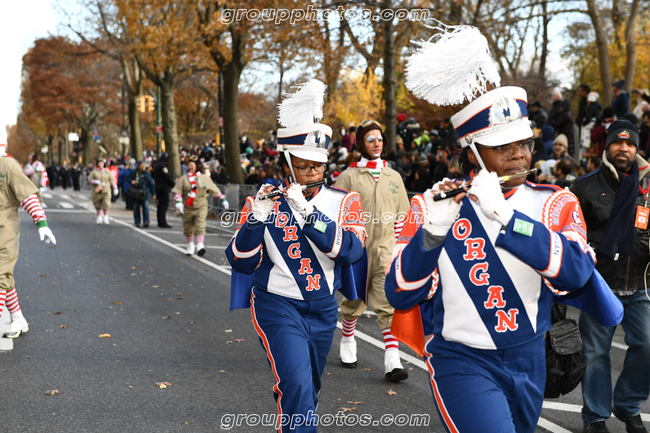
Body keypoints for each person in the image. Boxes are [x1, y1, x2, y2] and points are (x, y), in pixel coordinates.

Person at [387, 83, 621, 432]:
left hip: (531, 357)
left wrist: (511, 220)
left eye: (524, 143)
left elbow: (576, 272)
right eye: (502, 147)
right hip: (461, 359)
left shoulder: (555, 202)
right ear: (472, 154)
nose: (518, 155)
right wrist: (432, 235)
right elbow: (399, 293)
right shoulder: (432, 205)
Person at [226, 79, 365, 432]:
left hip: (323, 308)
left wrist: (310, 217)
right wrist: (256, 220)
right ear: (287, 164)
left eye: (318, 166)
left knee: (308, 389)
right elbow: (240, 261)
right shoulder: (263, 202)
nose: (313, 174)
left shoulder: (344, 202)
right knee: (298, 386)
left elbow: (351, 252)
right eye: (304, 167)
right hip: (277, 305)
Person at [571, 119, 650, 433]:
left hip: (640, 283)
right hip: (599, 284)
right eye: (618, 142)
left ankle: (628, 406)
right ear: (607, 146)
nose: (625, 148)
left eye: (630, 143)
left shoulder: (647, 187)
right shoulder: (585, 186)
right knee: (596, 353)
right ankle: (595, 418)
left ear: (636, 148)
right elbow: (571, 234)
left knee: (647, 345)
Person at [334, 119, 410, 382]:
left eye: (379, 138)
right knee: (353, 300)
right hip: (356, 251)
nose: (376, 143)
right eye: (370, 139)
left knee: (386, 303)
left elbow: (403, 214)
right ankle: (347, 339)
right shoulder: (349, 176)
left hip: (386, 251)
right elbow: (338, 212)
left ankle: (392, 359)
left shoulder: (394, 176)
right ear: (361, 145)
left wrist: (398, 246)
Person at [0, 141, 56, 338]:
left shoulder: (7, 165)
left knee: (0, 276)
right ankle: (17, 317)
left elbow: (27, 196)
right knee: (4, 277)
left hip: (4, 230)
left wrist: (41, 223)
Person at [172, 158, 227, 256]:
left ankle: (200, 245)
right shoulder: (184, 179)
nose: (190, 167)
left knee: (200, 224)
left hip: (201, 205)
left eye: (192, 165)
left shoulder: (204, 178)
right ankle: (190, 245)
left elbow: (213, 189)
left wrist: (223, 199)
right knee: (188, 226)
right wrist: (178, 203)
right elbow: (178, 191)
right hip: (188, 206)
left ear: (197, 166)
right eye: (189, 165)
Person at [126, 160, 155, 228]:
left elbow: (151, 184)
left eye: (144, 165)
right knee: (136, 208)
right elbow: (127, 178)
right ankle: (137, 222)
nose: (143, 166)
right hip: (136, 193)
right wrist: (131, 181)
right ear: (138, 166)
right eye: (142, 165)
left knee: (146, 207)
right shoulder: (134, 172)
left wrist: (153, 193)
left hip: (144, 193)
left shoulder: (147, 173)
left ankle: (146, 221)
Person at [87, 159, 117, 225]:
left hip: (106, 190)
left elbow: (112, 180)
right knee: (97, 203)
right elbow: (89, 180)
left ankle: (106, 216)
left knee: (106, 203)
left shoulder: (107, 171)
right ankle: (99, 217)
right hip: (97, 190)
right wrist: (95, 181)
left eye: (102, 163)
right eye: (99, 163)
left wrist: (115, 188)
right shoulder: (94, 172)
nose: (100, 164)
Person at [153, 152, 175, 229]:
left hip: (159, 188)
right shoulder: (163, 167)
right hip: (163, 188)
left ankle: (160, 221)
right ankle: (162, 221)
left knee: (160, 206)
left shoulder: (157, 165)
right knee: (163, 206)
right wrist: (174, 185)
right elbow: (167, 177)